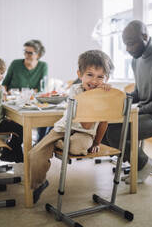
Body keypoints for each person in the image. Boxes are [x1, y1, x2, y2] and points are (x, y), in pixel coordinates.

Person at [29, 49, 114, 204]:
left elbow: (99, 123)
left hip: (85, 132)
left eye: (100, 77)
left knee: (77, 148)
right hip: (63, 128)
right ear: (79, 74)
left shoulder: (106, 96)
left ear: (106, 79)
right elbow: (83, 119)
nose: (94, 81)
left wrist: (96, 143)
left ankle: (59, 144)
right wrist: (96, 96)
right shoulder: (75, 90)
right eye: (90, 75)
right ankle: (39, 183)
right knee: (35, 154)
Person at [103, 20, 152, 184]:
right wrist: (118, 99)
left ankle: (143, 164)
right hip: (146, 113)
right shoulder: (136, 59)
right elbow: (139, 92)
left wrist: (134, 111)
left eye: (131, 44)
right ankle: (141, 162)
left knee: (115, 132)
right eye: (126, 45)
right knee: (102, 127)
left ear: (145, 36)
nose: (128, 49)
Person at [2, 39, 48, 144]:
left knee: (45, 119)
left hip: (31, 102)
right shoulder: (15, 63)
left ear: (38, 54)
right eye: (25, 52)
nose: (26, 55)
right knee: (19, 122)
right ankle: (18, 148)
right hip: (12, 101)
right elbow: (5, 84)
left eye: (30, 53)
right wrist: (4, 92)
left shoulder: (43, 66)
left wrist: (26, 94)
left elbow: (41, 88)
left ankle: (39, 146)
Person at [0, 58, 23, 163]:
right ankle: (11, 154)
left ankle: (12, 154)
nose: (2, 76)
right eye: (0, 73)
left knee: (14, 125)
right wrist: (5, 117)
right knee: (20, 126)